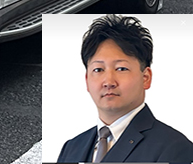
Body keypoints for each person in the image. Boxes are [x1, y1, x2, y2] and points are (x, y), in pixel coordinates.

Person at [57, 15, 193, 163]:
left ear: (145, 78)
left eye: (121, 68)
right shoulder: (71, 148)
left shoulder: (175, 148)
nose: (108, 82)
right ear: (87, 80)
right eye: (98, 70)